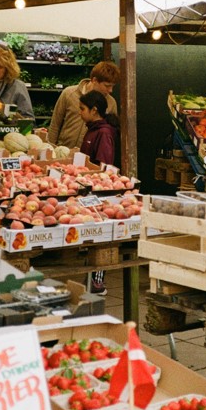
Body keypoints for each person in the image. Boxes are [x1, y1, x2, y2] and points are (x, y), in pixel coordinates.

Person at [78, 90, 120, 297]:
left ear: (94, 110)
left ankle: (98, 282)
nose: (79, 113)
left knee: (101, 236)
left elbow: (104, 165)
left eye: (82, 109)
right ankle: (90, 279)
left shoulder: (103, 133)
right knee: (93, 237)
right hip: (89, 188)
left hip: (100, 191)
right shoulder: (92, 129)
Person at [48, 61, 120, 150]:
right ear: (94, 80)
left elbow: (111, 135)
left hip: (89, 158)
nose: (110, 90)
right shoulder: (69, 94)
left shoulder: (111, 103)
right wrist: (50, 149)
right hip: (63, 153)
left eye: (112, 86)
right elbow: (55, 124)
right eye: (107, 86)